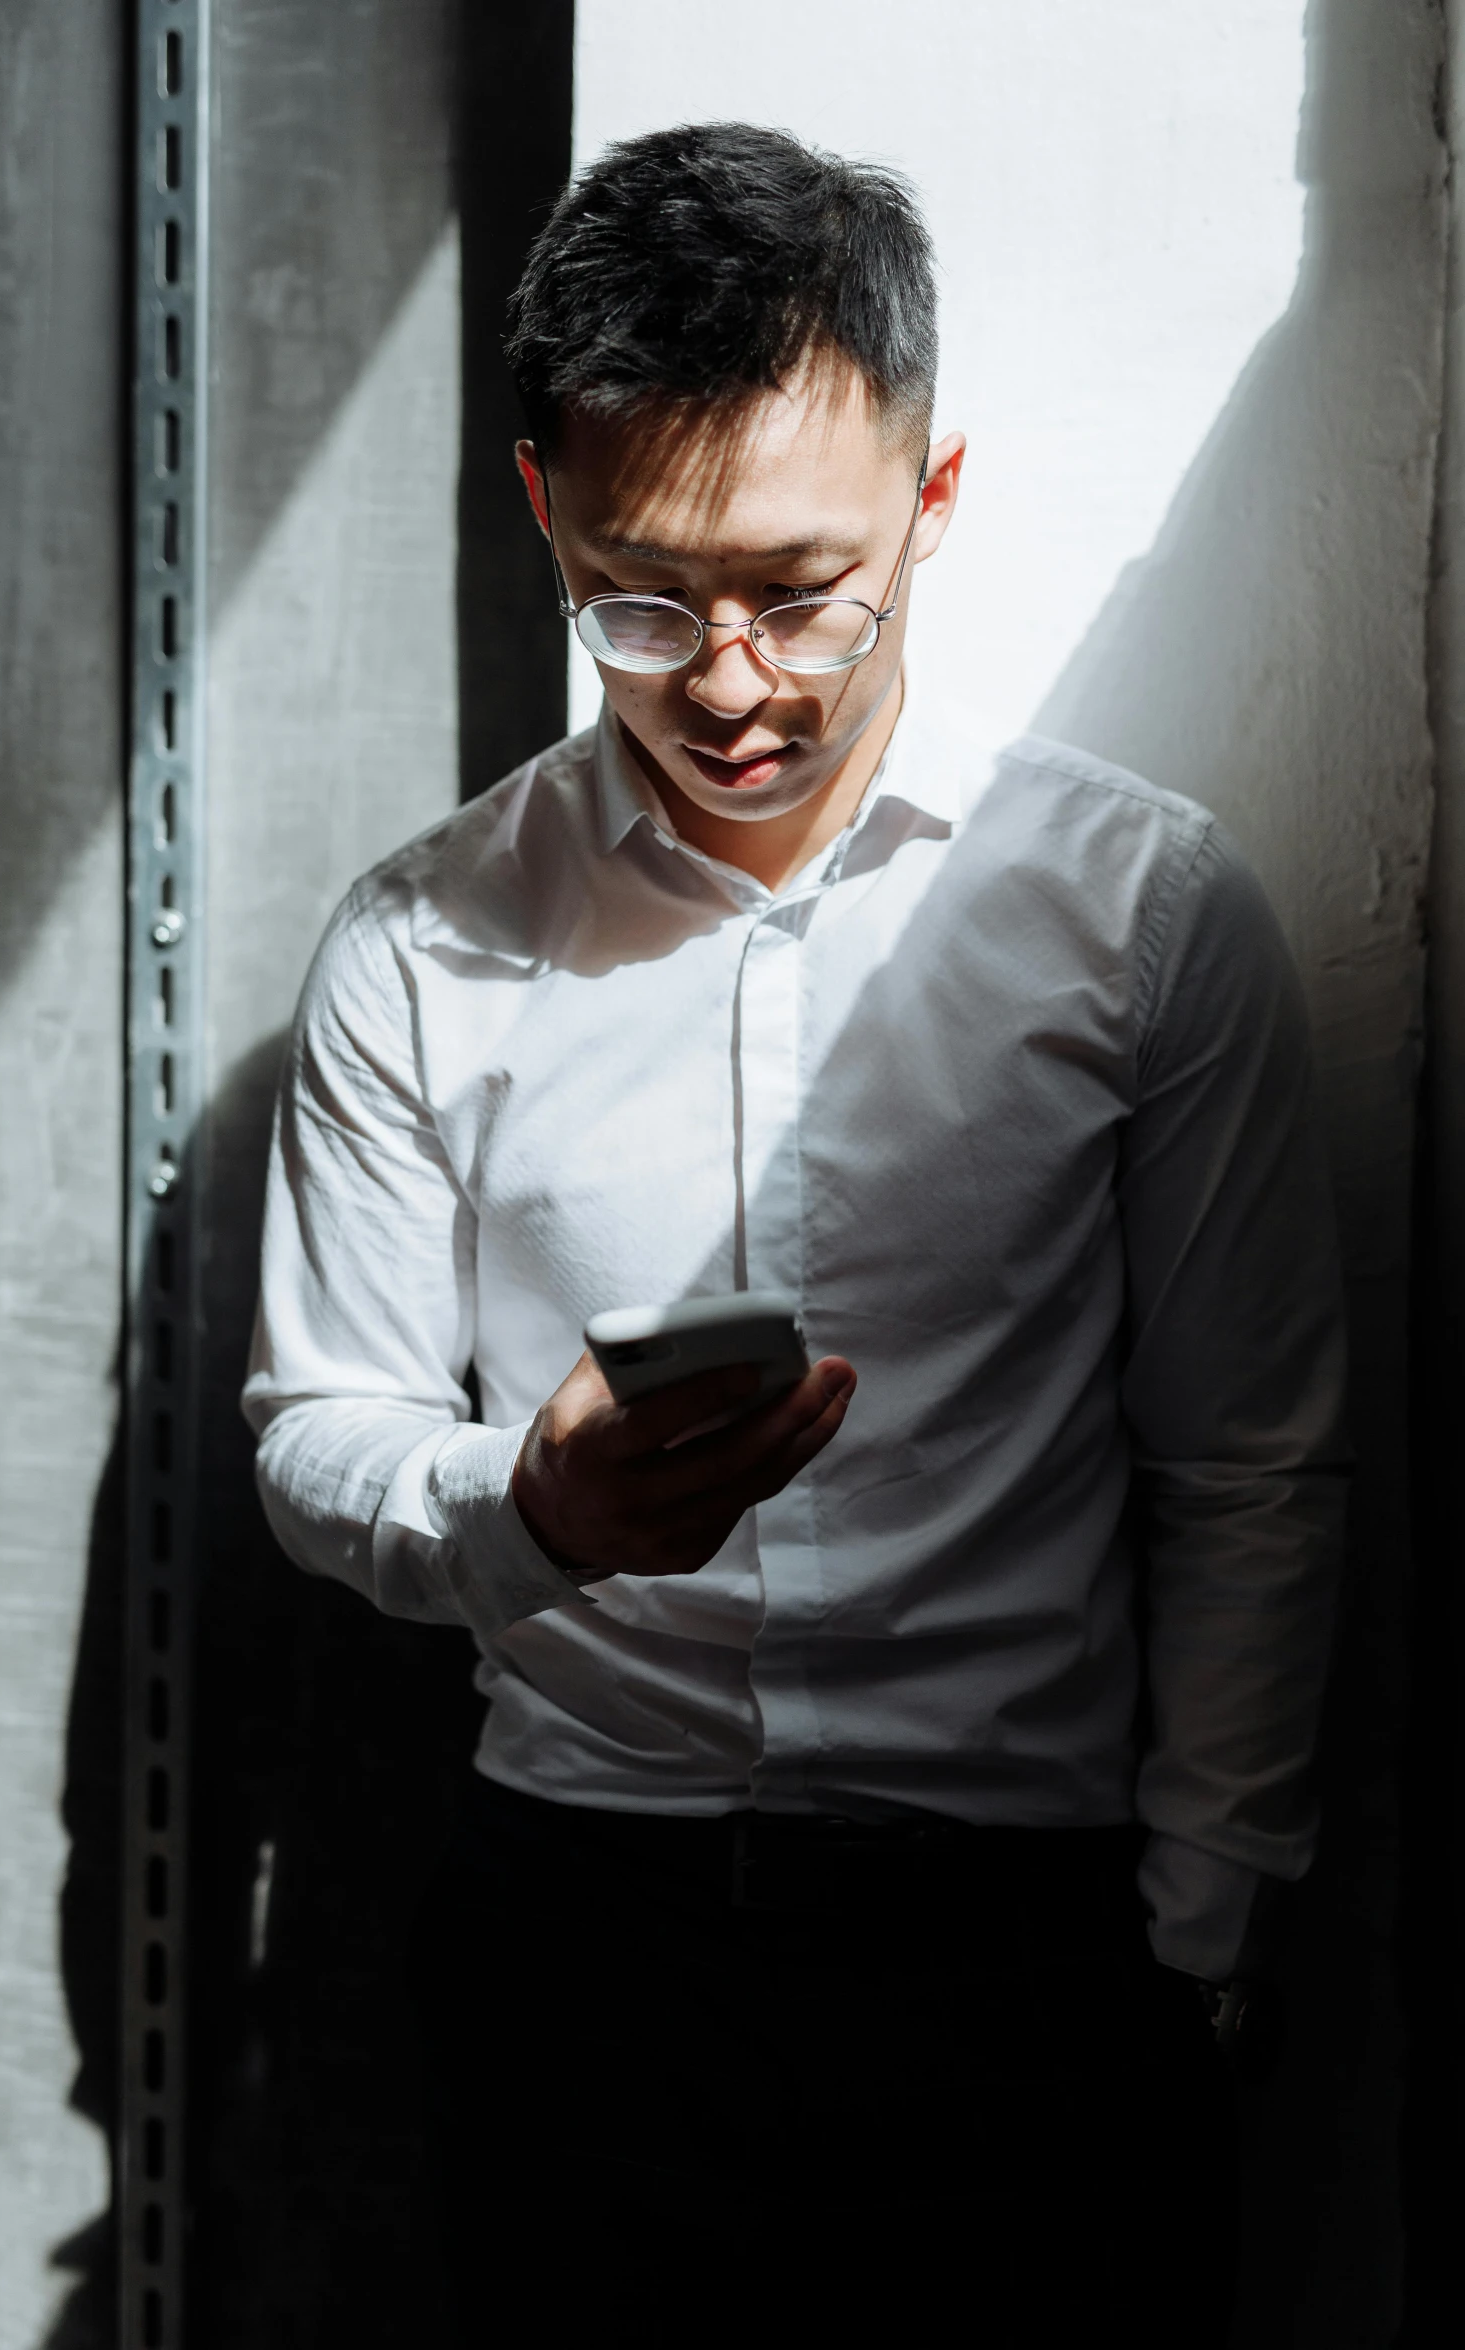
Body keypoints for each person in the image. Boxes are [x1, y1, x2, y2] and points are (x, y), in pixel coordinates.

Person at [243, 122, 1346, 2347]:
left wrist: (1199, 1947)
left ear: (933, 499)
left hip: (1033, 1970)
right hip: (579, 1945)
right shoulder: (419, 944)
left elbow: (1252, 1461)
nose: (731, 679)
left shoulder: (1141, 921)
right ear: (546, 504)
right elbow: (314, 1427)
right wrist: (520, 1497)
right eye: (643, 597)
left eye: (805, 588)